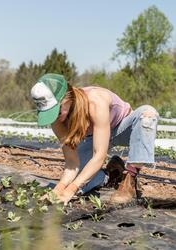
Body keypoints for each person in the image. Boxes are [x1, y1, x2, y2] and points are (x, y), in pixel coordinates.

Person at [30, 73, 159, 205]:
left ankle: (130, 179)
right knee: (81, 179)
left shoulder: (95, 101)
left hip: (121, 128)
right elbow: (71, 163)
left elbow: (99, 155)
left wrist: (71, 190)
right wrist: (59, 188)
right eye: (50, 113)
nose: (55, 117)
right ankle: (111, 174)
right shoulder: (57, 120)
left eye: (57, 111)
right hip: (93, 137)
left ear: (67, 97)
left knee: (147, 114)